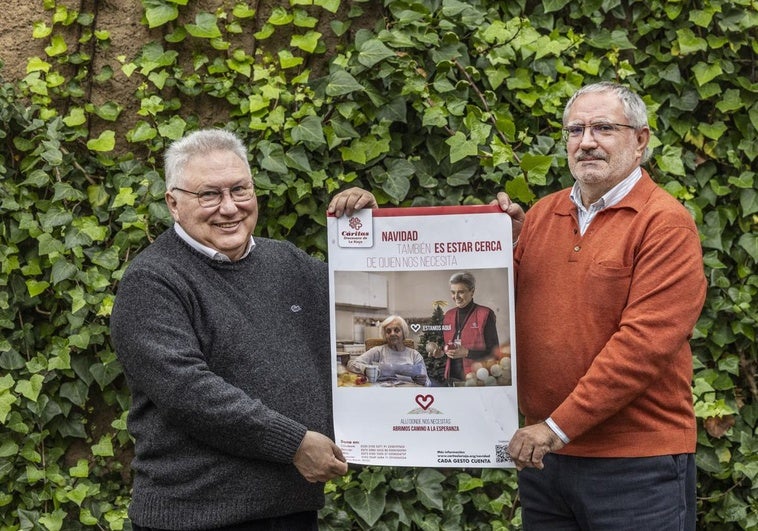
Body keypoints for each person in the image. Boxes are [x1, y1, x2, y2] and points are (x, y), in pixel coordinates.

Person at [109, 128, 377, 530]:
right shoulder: (153, 281)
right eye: (209, 195)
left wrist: (372, 234)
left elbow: (370, 302)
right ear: (173, 203)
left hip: (290, 511)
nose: (229, 207)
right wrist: (294, 445)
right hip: (195, 518)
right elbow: (187, 391)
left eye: (240, 190)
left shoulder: (287, 262)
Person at [496, 82, 706, 530]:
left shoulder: (664, 223)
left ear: (641, 140)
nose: (586, 141)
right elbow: (499, 312)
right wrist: (499, 247)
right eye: (576, 130)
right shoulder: (540, 216)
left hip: (635, 466)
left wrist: (556, 427)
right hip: (545, 462)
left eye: (604, 128)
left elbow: (643, 345)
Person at [431, 272, 499, 384]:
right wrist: (442, 353)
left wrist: (467, 353)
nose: (456, 297)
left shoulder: (485, 314)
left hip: (477, 379)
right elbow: (449, 346)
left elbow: (494, 352)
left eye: (461, 292)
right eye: (453, 292)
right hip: (451, 378)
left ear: (472, 292)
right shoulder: (448, 315)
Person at [347, 315, 431, 386]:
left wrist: (423, 381)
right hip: (382, 396)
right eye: (388, 331)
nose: (392, 334)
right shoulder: (378, 351)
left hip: (408, 396)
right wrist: (367, 369)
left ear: (404, 333)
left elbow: (428, 382)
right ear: (385, 335)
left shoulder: (414, 355)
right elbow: (351, 364)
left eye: (397, 330)